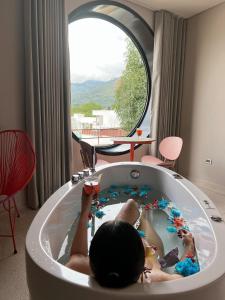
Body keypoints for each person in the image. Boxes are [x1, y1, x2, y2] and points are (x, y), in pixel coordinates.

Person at [66, 188, 196, 288]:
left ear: (92, 260)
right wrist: (189, 246)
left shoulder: (78, 267)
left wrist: (85, 210)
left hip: (121, 261)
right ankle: (144, 217)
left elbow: (77, 254)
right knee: (145, 229)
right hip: (151, 258)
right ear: (141, 264)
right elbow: (182, 273)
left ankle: (133, 210)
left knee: (128, 209)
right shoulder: (155, 276)